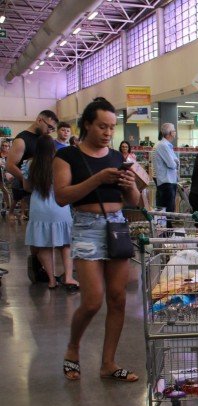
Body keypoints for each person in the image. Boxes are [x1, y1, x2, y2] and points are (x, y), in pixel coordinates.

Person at [53, 97, 141, 383]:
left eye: (112, 128)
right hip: (86, 226)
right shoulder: (67, 157)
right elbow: (62, 195)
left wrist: (130, 188)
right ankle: (72, 347)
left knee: (117, 299)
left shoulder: (118, 158)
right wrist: (98, 179)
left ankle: (108, 363)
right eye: (102, 126)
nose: (107, 132)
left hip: (117, 226)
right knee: (92, 301)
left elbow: (134, 202)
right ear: (87, 124)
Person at [22, 135, 79, 291]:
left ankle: (52, 280)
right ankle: (68, 277)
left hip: (38, 207)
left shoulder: (29, 164)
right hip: (58, 206)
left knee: (44, 245)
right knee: (65, 244)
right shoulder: (59, 163)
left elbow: (26, 187)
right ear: (53, 148)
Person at [6, 110, 59, 224]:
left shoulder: (43, 139)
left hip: (47, 190)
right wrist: (28, 180)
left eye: (52, 129)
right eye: (49, 127)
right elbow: (10, 165)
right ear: (40, 120)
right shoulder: (22, 140)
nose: (50, 131)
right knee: (39, 226)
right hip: (32, 192)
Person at [154, 123, 179, 212]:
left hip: (170, 182)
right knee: (167, 211)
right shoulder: (163, 145)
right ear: (170, 133)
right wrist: (175, 163)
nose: (175, 132)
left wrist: (175, 162)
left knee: (170, 208)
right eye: (174, 130)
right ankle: (167, 226)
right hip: (166, 183)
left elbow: (175, 160)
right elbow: (172, 164)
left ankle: (168, 225)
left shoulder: (167, 146)